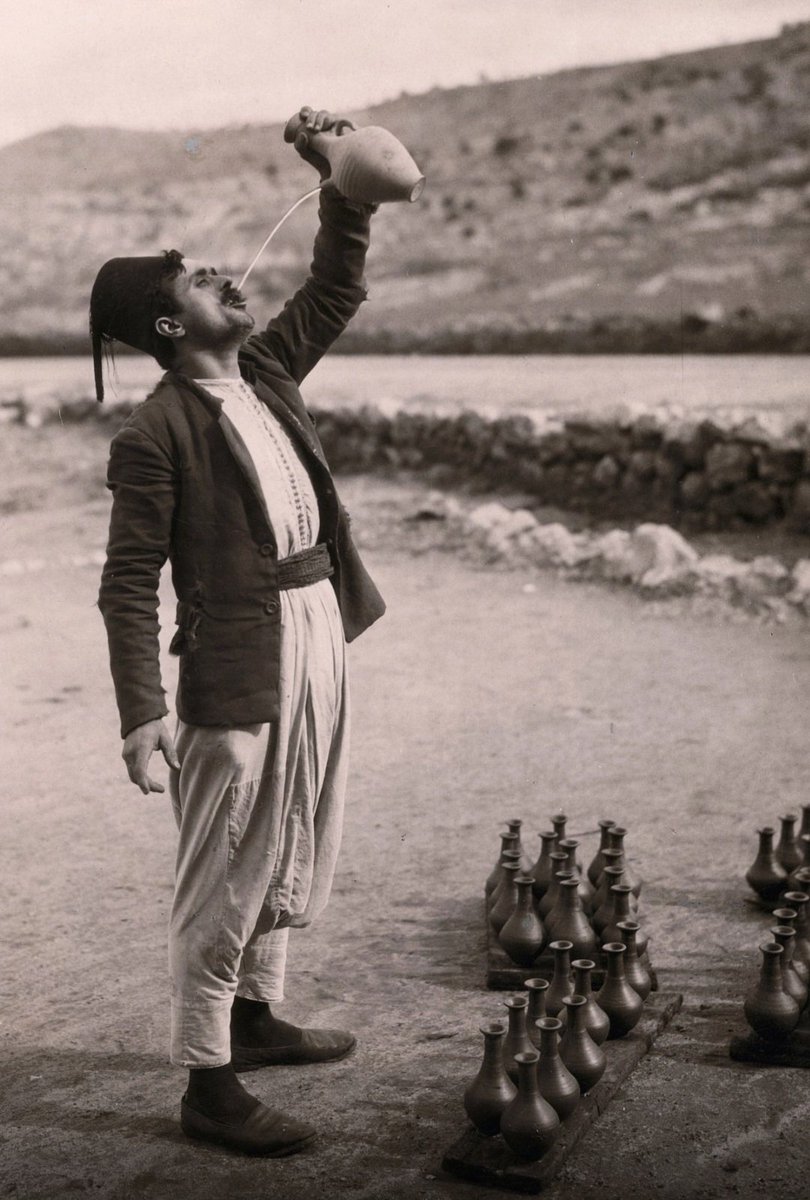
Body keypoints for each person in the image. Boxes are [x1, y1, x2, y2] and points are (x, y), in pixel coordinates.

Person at [92, 107, 385, 1156]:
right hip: (236, 660)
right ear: (168, 326)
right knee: (220, 861)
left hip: (317, 628)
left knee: (299, 816)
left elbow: (337, 288)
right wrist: (142, 716)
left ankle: (256, 1017)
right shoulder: (154, 433)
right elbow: (128, 583)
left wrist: (340, 187)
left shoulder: (265, 373)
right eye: (195, 277)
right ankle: (207, 1086)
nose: (222, 275)